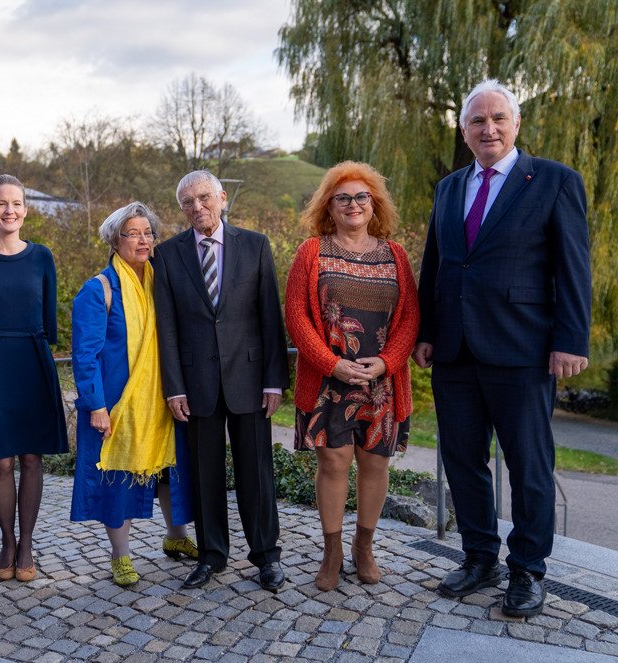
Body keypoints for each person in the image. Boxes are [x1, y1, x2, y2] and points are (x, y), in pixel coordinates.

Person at [413, 79, 591, 617]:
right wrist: (426, 332)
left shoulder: (555, 181)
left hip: (524, 348)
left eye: (498, 119)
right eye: (476, 121)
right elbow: (437, 266)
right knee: (463, 460)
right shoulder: (449, 189)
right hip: (456, 351)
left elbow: (573, 267)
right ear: (463, 130)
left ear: (515, 125)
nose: (487, 128)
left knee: (529, 466)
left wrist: (570, 339)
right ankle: (478, 557)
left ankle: (528, 570)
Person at [284, 161, 419, 591]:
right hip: (329, 379)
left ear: (374, 203)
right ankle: (332, 551)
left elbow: (410, 319)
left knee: (375, 465)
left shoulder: (395, 255)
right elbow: (296, 317)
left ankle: (364, 548)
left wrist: (387, 362)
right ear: (330, 205)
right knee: (334, 463)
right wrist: (332, 363)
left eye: (362, 197)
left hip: (382, 382)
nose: (353, 204)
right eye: (343, 198)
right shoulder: (312, 252)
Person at [154, 170, 291, 591]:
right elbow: (168, 326)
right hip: (196, 386)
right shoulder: (168, 254)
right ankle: (212, 555)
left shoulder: (255, 245)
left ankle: (266, 556)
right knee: (204, 474)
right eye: (188, 202)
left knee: (257, 474)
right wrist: (174, 386)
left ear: (222, 198)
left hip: (250, 379)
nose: (197, 207)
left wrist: (274, 380)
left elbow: (270, 316)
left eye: (203, 198)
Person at [70, 202, 198, 586]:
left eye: (148, 233)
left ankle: (176, 539)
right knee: (119, 476)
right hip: (118, 404)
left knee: (166, 470)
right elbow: (84, 355)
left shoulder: (164, 280)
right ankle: (120, 556)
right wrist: (95, 406)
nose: (143, 240)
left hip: (162, 399)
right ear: (115, 239)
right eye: (133, 233)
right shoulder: (99, 289)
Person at [0, 174, 68, 582]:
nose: (9, 210)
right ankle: (7, 539)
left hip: (32, 360)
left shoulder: (42, 257)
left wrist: (34, 345)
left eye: (16, 203)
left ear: (25, 209)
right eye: (1, 203)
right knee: (1, 460)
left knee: (31, 457)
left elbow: (49, 319)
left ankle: (27, 544)